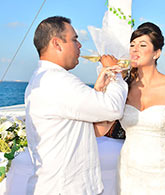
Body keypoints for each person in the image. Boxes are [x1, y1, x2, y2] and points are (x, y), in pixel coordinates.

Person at [95, 22, 165, 194]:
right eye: (132, 45)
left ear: (157, 53)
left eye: (142, 45)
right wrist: (101, 87)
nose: (134, 49)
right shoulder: (123, 88)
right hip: (128, 173)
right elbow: (101, 129)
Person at [25, 16, 128, 195]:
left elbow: (93, 130)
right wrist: (116, 73)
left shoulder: (47, 79)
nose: (80, 45)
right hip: (65, 188)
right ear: (57, 44)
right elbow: (114, 107)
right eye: (74, 39)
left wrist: (98, 91)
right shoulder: (58, 81)